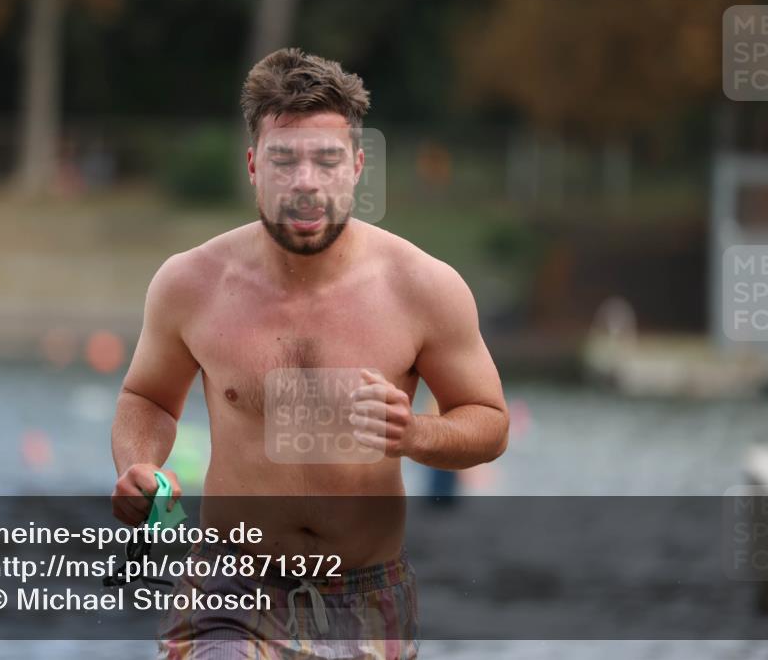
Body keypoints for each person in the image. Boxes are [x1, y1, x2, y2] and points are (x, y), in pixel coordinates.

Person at [111, 47, 509, 659]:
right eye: (283, 160)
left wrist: (414, 433)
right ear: (252, 165)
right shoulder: (190, 283)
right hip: (229, 590)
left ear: (356, 165)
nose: (305, 183)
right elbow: (147, 398)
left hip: (366, 598)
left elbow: (489, 422)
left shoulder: (423, 287)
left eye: (326, 160)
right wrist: (141, 466)